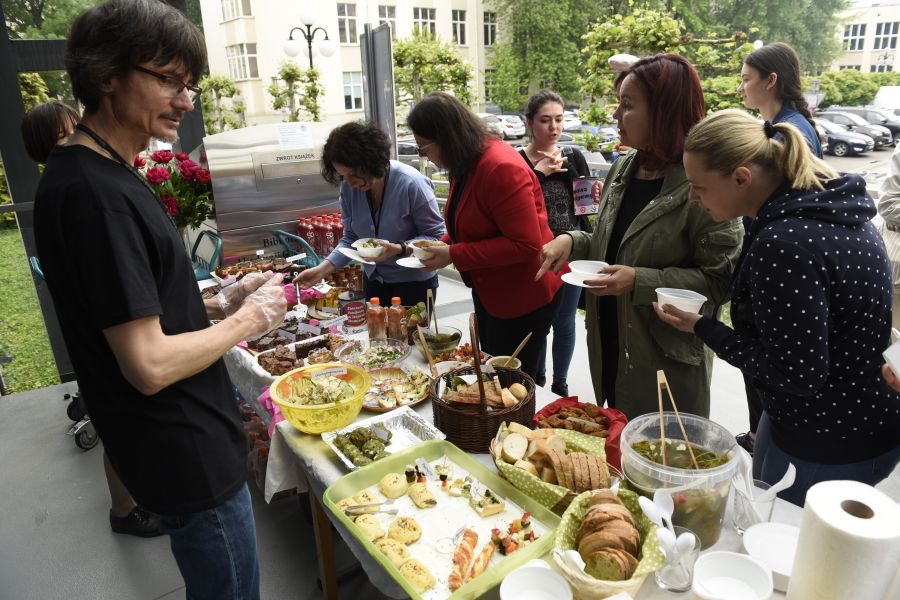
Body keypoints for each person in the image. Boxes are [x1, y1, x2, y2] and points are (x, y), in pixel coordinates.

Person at [33, 1, 287, 597]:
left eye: (190, 83)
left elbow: (136, 309)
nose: (185, 98)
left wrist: (220, 303)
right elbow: (147, 365)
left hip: (169, 445)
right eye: (167, 79)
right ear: (106, 76)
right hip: (185, 449)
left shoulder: (93, 172)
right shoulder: (99, 197)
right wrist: (250, 319)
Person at [654, 109, 900, 506]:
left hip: (827, 440)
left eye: (698, 186)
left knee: (787, 548)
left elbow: (797, 375)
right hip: (856, 419)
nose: (692, 197)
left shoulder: (784, 245)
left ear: (741, 178)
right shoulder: (834, 209)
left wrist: (706, 329)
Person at [536, 54, 742, 418]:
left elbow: (719, 282)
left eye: (627, 105)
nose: (616, 115)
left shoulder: (703, 182)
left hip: (664, 359)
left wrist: (639, 282)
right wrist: (571, 239)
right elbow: (607, 239)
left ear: (665, 111)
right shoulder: (625, 166)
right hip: (613, 345)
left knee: (661, 460)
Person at [22, 101, 161, 538]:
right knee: (121, 428)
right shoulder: (80, 193)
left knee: (116, 423)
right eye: (71, 131)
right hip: (104, 345)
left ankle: (129, 504)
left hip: (93, 340)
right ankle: (125, 511)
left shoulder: (57, 190)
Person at [407, 92, 563, 379]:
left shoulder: (500, 166)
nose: (424, 155)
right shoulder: (465, 160)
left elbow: (525, 244)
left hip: (522, 295)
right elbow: (472, 223)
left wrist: (452, 254)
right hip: (492, 289)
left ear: (445, 138)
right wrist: (441, 246)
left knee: (514, 381)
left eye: (423, 147)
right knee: (492, 370)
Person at [736, 41, 823, 454]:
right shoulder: (789, 126)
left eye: (746, 80)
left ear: (771, 81)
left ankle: (761, 437)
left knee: (768, 359)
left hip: (775, 268)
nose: (741, 89)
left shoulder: (787, 135)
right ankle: (760, 433)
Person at [295, 121, 445, 306]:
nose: (348, 183)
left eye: (353, 174)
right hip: (374, 282)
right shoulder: (350, 188)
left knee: (411, 335)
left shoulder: (411, 184)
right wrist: (322, 270)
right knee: (378, 335)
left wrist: (399, 248)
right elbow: (351, 237)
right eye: (343, 176)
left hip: (414, 284)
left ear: (371, 161)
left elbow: (436, 236)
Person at [519, 90, 597, 395]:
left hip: (571, 252)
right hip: (536, 256)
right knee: (539, 321)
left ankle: (560, 382)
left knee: (565, 321)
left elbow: (587, 209)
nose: (554, 127)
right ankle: (536, 378)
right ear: (529, 123)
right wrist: (538, 174)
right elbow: (515, 207)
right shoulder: (518, 161)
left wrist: (592, 193)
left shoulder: (574, 156)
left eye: (559, 119)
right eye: (545, 120)